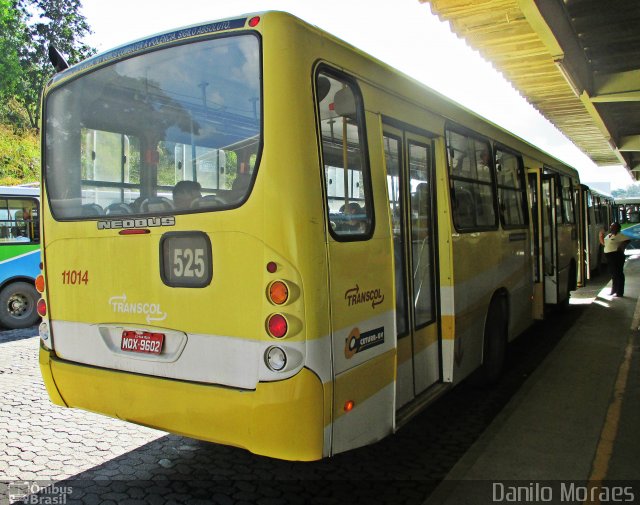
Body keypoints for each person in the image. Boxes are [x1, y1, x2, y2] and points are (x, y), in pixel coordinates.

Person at [602, 222, 630, 297]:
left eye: (613, 226)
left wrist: (621, 247)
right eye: (611, 226)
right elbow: (605, 243)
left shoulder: (620, 235)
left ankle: (619, 292)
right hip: (609, 256)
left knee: (618, 273)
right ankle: (614, 290)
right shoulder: (609, 235)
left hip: (616, 256)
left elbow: (627, 240)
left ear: (617, 228)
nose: (611, 227)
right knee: (613, 273)